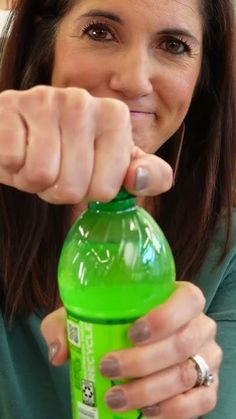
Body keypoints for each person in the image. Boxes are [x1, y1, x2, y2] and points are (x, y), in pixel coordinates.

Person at [0, 0, 235, 418]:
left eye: (174, 45)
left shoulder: (227, 252)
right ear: (45, 40)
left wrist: (190, 386)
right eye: (99, 32)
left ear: (202, 77)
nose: (133, 80)